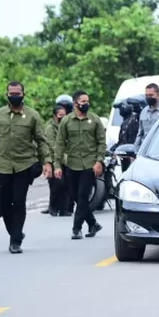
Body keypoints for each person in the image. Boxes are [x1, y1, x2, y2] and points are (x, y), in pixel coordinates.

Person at [0, 81, 53, 254]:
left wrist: (47, 162)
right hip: (3, 166)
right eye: (11, 93)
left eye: (17, 93)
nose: (14, 96)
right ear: (7, 94)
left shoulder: (32, 115)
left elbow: (41, 141)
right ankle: (15, 232)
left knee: (19, 201)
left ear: (24, 94)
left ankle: (15, 241)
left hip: (24, 165)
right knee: (6, 204)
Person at [54, 90, 106, 240]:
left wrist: (99, 161)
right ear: (75, 104)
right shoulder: (67, 121)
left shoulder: (95, 120)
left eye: (87, 101)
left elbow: (101, 143)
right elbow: (59, 144)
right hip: (72, 164)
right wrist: (57, 165)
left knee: (83, 196)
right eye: (83, 102)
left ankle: (76, 228)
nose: (86, 104)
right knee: (76, 197)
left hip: (89, 164)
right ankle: (93, 223)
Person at [45, 105, 70, 217]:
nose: (62, 117)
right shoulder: (50, 128)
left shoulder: (66, 126)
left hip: (67, 159)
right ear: (55, 116)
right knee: (57, 184)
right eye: (60, 115)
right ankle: (52, 206)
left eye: (64, 115)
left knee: (66, 185)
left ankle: (64, 209)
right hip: (55, 159)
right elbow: (53, 146)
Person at [134, 83, 159, 150]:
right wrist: (136, 151)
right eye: (146, 95)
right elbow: (140, 133)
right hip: (145, 150)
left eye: (151, 95)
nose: (148, 97)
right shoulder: (144, 112)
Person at [111, 100, 139, 172]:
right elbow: (121, 140)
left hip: (130, 155)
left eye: (120, 108)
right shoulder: (125, 122)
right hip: (124, 154)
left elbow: (130, 141)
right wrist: (113, 149)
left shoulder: (133, 120)